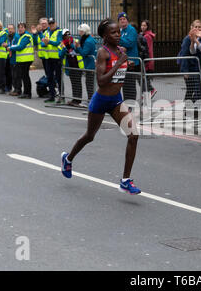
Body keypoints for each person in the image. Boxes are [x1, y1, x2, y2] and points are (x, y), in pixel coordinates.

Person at [61, 18, 141, 195]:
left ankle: (126, 180)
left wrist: (127, 64)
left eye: (119, 32)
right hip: (101, 101)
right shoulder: (102, 52)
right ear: (105, 36)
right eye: (113, 33)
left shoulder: (121, 50)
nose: (118, 35)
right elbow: (101, 81)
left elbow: (119, 72)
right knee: (90, 136)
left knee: (134, 135)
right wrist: (119, 64)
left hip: (116, 101)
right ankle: (68, 158)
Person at [179, 20, 201, 104]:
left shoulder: (200, 38)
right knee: (191, 90)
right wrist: (185, 72)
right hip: (190, 69)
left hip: (197, 69)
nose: (197, 29)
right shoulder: (187, 39)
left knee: (196, 90)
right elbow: (184, 55)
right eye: (195, 27)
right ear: (191, 28)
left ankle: (192, 109)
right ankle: (187, 109)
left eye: (199, 27)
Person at [59, 29, 85, 106]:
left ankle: (78, 99)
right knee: (73, 83)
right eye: (66, 35)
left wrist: (72, 46)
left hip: (77, 66)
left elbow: (80, 50)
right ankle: (75, 98)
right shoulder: (62, 44)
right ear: (63, 36)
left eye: (68, 34)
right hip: (69, 67)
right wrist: (65, 48)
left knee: (78, 83)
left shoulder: (76, 41)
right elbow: (60, 55)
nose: (68, 36)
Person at [118, 12, 140, 102]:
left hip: (131, 62)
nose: (122, 21)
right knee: (125, 84)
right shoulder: (120, 31)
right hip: (123, 61)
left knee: (130, 85)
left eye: (124, 19)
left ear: (127, 20)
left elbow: (130, 43)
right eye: (120, 19)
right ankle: (126, 102)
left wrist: (119, 38)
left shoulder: (131, 30)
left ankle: (131, 104)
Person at [9, 23, 34, 99]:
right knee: (24, 76)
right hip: (22, 59)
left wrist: (10, 48)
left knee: (25, 77)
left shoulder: (26, 36)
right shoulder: (21, 36)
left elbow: (20, 47)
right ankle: (25, 92)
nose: (20, 29)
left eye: (22, 27)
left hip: (26, 59)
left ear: (25, 28)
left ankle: (28, 93)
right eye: (19, 27)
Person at [74, 23, 97, 104]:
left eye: (80, 31)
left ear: (84, 32)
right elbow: (80, 51)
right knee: (89, 83)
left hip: (90, 65)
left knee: (89, 84)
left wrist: (79, 47)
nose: (79, 33)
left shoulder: (88, 41)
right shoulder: (85, 39)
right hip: (88, 64)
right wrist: (77, 47)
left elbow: (84, 53)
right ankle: (90, 100)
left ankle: (91, 100)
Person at [41, 17, 63, 103]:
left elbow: (58, 42)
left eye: (52, 23)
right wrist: (45, 43)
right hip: (48, 58)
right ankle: (52, 95)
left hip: (56, 58)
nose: (51, 25)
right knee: (50, 77)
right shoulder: (46, 32)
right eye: (49, 24)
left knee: (58, 77)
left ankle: (61, 96)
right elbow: (42, 43)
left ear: (56, 23)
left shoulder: (59, 32)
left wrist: (48, 42)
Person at [140, 20, 156, 98]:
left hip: (147, 60)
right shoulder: (144, 35)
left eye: (144, 25)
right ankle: (145, 95)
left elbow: (148, 49)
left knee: (144, 79)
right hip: (148, 60)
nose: (142, 27)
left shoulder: (147, 36)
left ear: (148, 27)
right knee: (144, 79)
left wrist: (147, 61)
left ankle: (151, 90)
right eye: (142, 25)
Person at [7, 25, 21, 96]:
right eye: (9, 29)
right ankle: (15, 89)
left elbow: (17, 46)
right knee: (13, 75)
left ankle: (18, 90)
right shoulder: (9, 37)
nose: (10, 30)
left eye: (11, 29)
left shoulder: (16, 37)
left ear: (14, 29)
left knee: (16, 75)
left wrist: (10, 48)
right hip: (11, 58)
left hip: (16, 58)